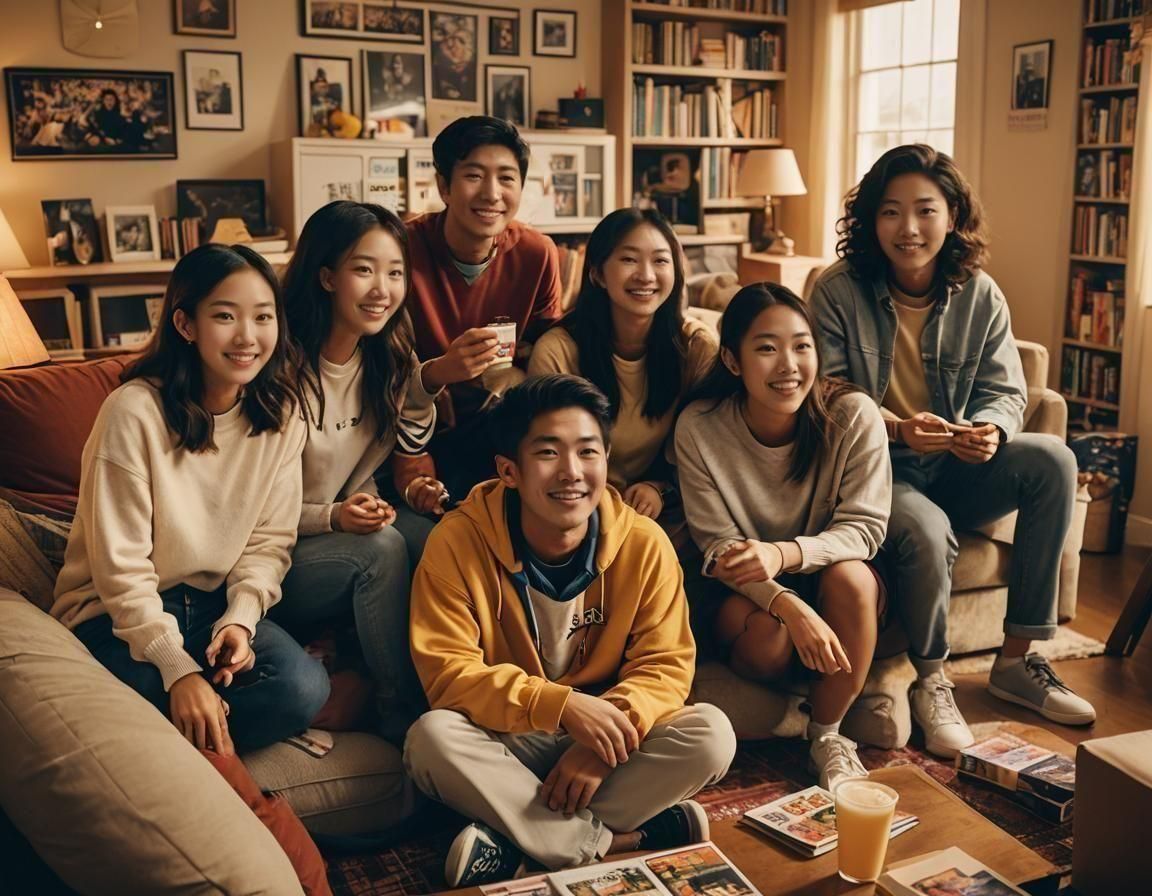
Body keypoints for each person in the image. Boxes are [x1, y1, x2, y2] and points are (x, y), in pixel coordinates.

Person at [809, 144, 1095, 759]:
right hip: (878, 469)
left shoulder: (980, 293)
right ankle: (932, 678)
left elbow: (1005, 388)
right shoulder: (836, 291)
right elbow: (826, 390)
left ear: (952, 215)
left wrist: (991, 429)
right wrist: (896, 428)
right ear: (870, 221)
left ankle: (1017, 662)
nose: (908, 229)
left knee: (1054, 460)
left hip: (958, 463)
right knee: (930, 529)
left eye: (925, 211)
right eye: (890, 212)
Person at [404, 374, 736, 887]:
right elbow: (448, 674)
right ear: (509, 471)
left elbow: (666, 667)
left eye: (588, 452)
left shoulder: (644, 543)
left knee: (711, 734)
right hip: (510, 736)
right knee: (431, 740)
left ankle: (520, 841)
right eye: (549, 453)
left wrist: (601, 746)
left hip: (607, 742)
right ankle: (620, 842)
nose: (572, 472)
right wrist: (560, 706)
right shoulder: (456, 542)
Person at [50, 244, 329, 756]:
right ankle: (197, 744)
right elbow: (120, 569)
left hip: (209, 604)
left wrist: (241, 620)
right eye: (225, 316)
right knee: (139, 703)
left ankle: (182, 745)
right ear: (185, 324)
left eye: (263, 317)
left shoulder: (282, 413)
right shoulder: (132, 412)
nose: (247, 336)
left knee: (304, 688)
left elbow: (270, 541)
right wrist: (179, 672)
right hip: (110, 614)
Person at [675, 283, 890, 793]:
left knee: (854, 579)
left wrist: (784, 554)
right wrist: (791, 608)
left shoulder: (852, 415)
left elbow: (866, 528)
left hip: (830, 578)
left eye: (801, 346)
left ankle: (828, 734)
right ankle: (825, 692)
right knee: (772, 637)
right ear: (731, 360)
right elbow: (718, 548)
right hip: (745, 594)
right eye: (766, 348)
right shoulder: (700, 428)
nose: (788, 364)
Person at [279, 201, 444, 740]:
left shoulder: (385, 359)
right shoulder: (280, 369)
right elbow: (251, 510)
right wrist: (334, 517)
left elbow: (407, 441)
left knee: (446, 539)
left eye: (395, 272)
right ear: (326, 276)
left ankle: (464, 690)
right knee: (382, 550)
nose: (383, 289)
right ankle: (403, 714)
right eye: (363, 269)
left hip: (344, 523)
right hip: (275, 551)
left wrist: (386, 499)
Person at [529, 208, 716, 534]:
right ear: (598, 273)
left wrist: (660, 487)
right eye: (629, 259)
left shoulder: (696, 347)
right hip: (574, 508)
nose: (646, 275)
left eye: (660, 261)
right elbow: (543, 456)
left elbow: (708, 447)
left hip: (663, 509)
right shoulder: (559, 351)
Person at [406, 115, 563, 497]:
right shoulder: (402, 248)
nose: (492, 194)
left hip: (501, 427)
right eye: (474, 176)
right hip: (412, 429)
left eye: (507, 178)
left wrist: (513, 378)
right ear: (444, 186)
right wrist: (439, 372)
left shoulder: (536, 254)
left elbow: (548, 347)